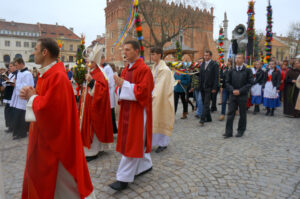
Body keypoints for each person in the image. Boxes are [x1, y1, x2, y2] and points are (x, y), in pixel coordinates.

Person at [19, 38, 94, 198]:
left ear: (45, 52)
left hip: (56, 143)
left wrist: (33, 98)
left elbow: (52, 110)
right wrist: (32, 94)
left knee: (63, 184)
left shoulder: (58, 76)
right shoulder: (47, 74)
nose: (34, 53)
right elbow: (46, 100)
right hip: (45, 137)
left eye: (36, 49)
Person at [109, 40, 154, 191]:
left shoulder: (144, 69)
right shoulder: (126, 69)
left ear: (137, 51)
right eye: (124, 50)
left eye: (128, 50)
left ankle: (123, 178)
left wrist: (124, 85)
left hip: (138, 112)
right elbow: (119, 90)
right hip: (127, 110)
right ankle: (145, 165)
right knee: (134, 141)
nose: (125, 53)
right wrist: (120, 87)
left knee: (132, 142)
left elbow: (144, 91)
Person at [79, 44, 114, 162]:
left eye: (91, 62)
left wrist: (92, 81)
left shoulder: (100, 73)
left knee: (93, 126)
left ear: (96, 62)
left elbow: (102, 89)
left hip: (95, 105)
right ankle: (93, 149)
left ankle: (92, 151)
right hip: (88, 104)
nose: (89, 64)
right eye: (88, 62)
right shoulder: (92, 71)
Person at [150, 47, 175, 153]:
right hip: (154, 95)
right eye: (151, 54)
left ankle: (163, 143)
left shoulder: (164, 70)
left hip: (163, 97)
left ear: (160, 55)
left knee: (162, 117)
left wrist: (153, 94)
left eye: (154, 54)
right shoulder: (154, 67)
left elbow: (162, 85)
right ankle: (153, 141)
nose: (152, 56)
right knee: (154, 118)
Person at [224, 53, 253, 138]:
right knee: (230, 113)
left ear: (243, 60)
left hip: (242, 95)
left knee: (242, 114)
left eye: (239, 58)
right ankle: (228, 132)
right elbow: (227, 82)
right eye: (236, 58)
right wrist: (233, 90)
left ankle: (240, 131)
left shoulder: (247, 71)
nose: (237, 59)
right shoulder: (231, 71)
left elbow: (250, 83)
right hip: (233, 95)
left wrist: (240, 91)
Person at [10, 58, 34, 140]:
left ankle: (22, 133)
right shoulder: (20, 72)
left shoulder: (27, 74)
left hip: (23, 97)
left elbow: (27, 85)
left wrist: (16, 84)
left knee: (21, 116)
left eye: (16, 65)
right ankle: (17, 132)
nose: (16, 67)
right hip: (18, 97)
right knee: (17, 115)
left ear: (21, 64)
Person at [198, 50, 219, 126]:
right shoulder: (202, 64)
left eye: (207, 55)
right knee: (204, 103)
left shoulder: (214, 64)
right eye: (205, 55)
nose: (205, 57)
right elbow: (200, 76)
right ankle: (209, 118)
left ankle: (202, 119)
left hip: (210, 87)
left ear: (210, 56)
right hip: (202, 87)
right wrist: (199, 86)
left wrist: (214, 88)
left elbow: (216, 77)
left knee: (206, 103)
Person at [100, 56, 118, 134]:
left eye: (100, 59)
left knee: (110, 112)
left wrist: (102, 85)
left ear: (103, 59)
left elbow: (110, 81)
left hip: (109, 92)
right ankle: (110, 129)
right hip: (105, 92)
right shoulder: (103, 68)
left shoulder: (107, 68)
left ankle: (113, 129)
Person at [2, 62, 17, 133]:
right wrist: (5, 80)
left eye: (11, 66)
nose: (9, 67)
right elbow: (8, 82)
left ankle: (12, 126)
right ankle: (9, 126)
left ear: (15, 67)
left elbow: (14, 83)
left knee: (11, 112)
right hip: (7, 94)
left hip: (12, 95)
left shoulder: (16, 74)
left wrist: (8, 81)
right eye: (9, 66)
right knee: (7, 112)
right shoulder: (11, 74)